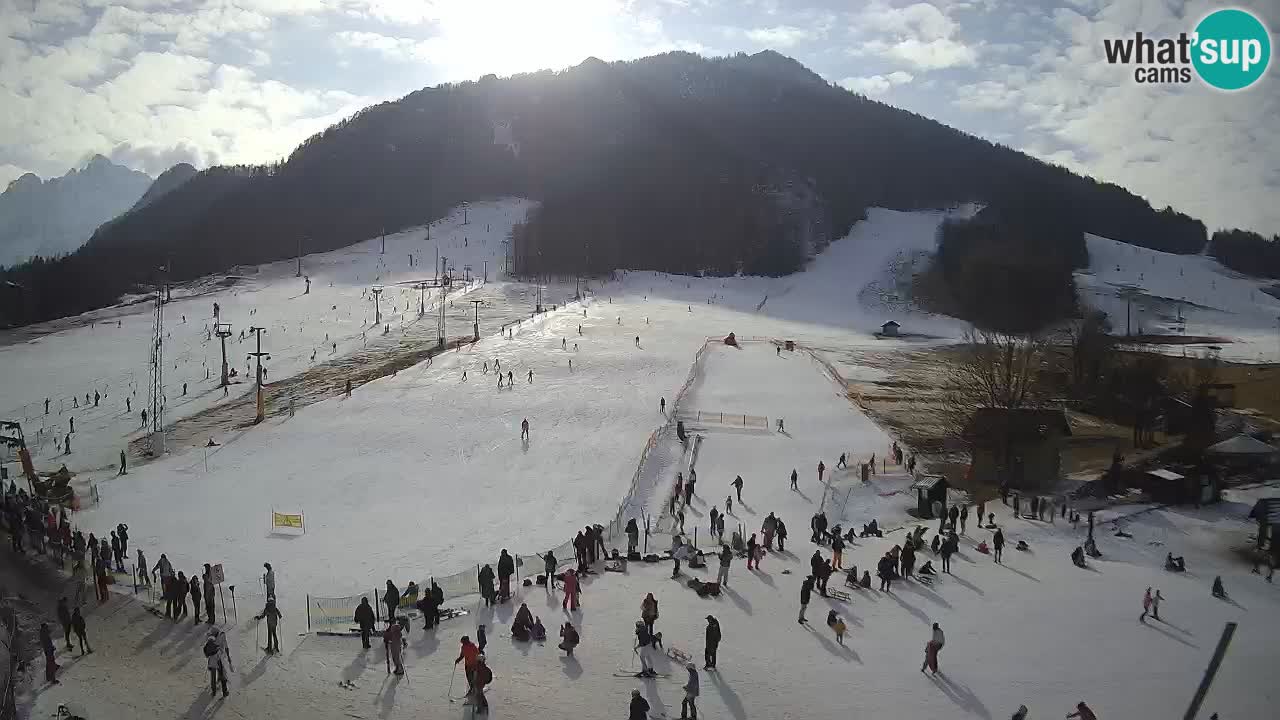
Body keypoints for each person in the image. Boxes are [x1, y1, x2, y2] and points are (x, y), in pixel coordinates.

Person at [204, 629, 229, 697]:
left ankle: (214, 691)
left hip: (212, 663)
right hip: (218, 662)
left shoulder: (206, 647)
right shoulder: (216, 646)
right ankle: (224, 691)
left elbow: (206, 655)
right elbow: (221, 652)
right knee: (222, 675)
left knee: (213, 678)